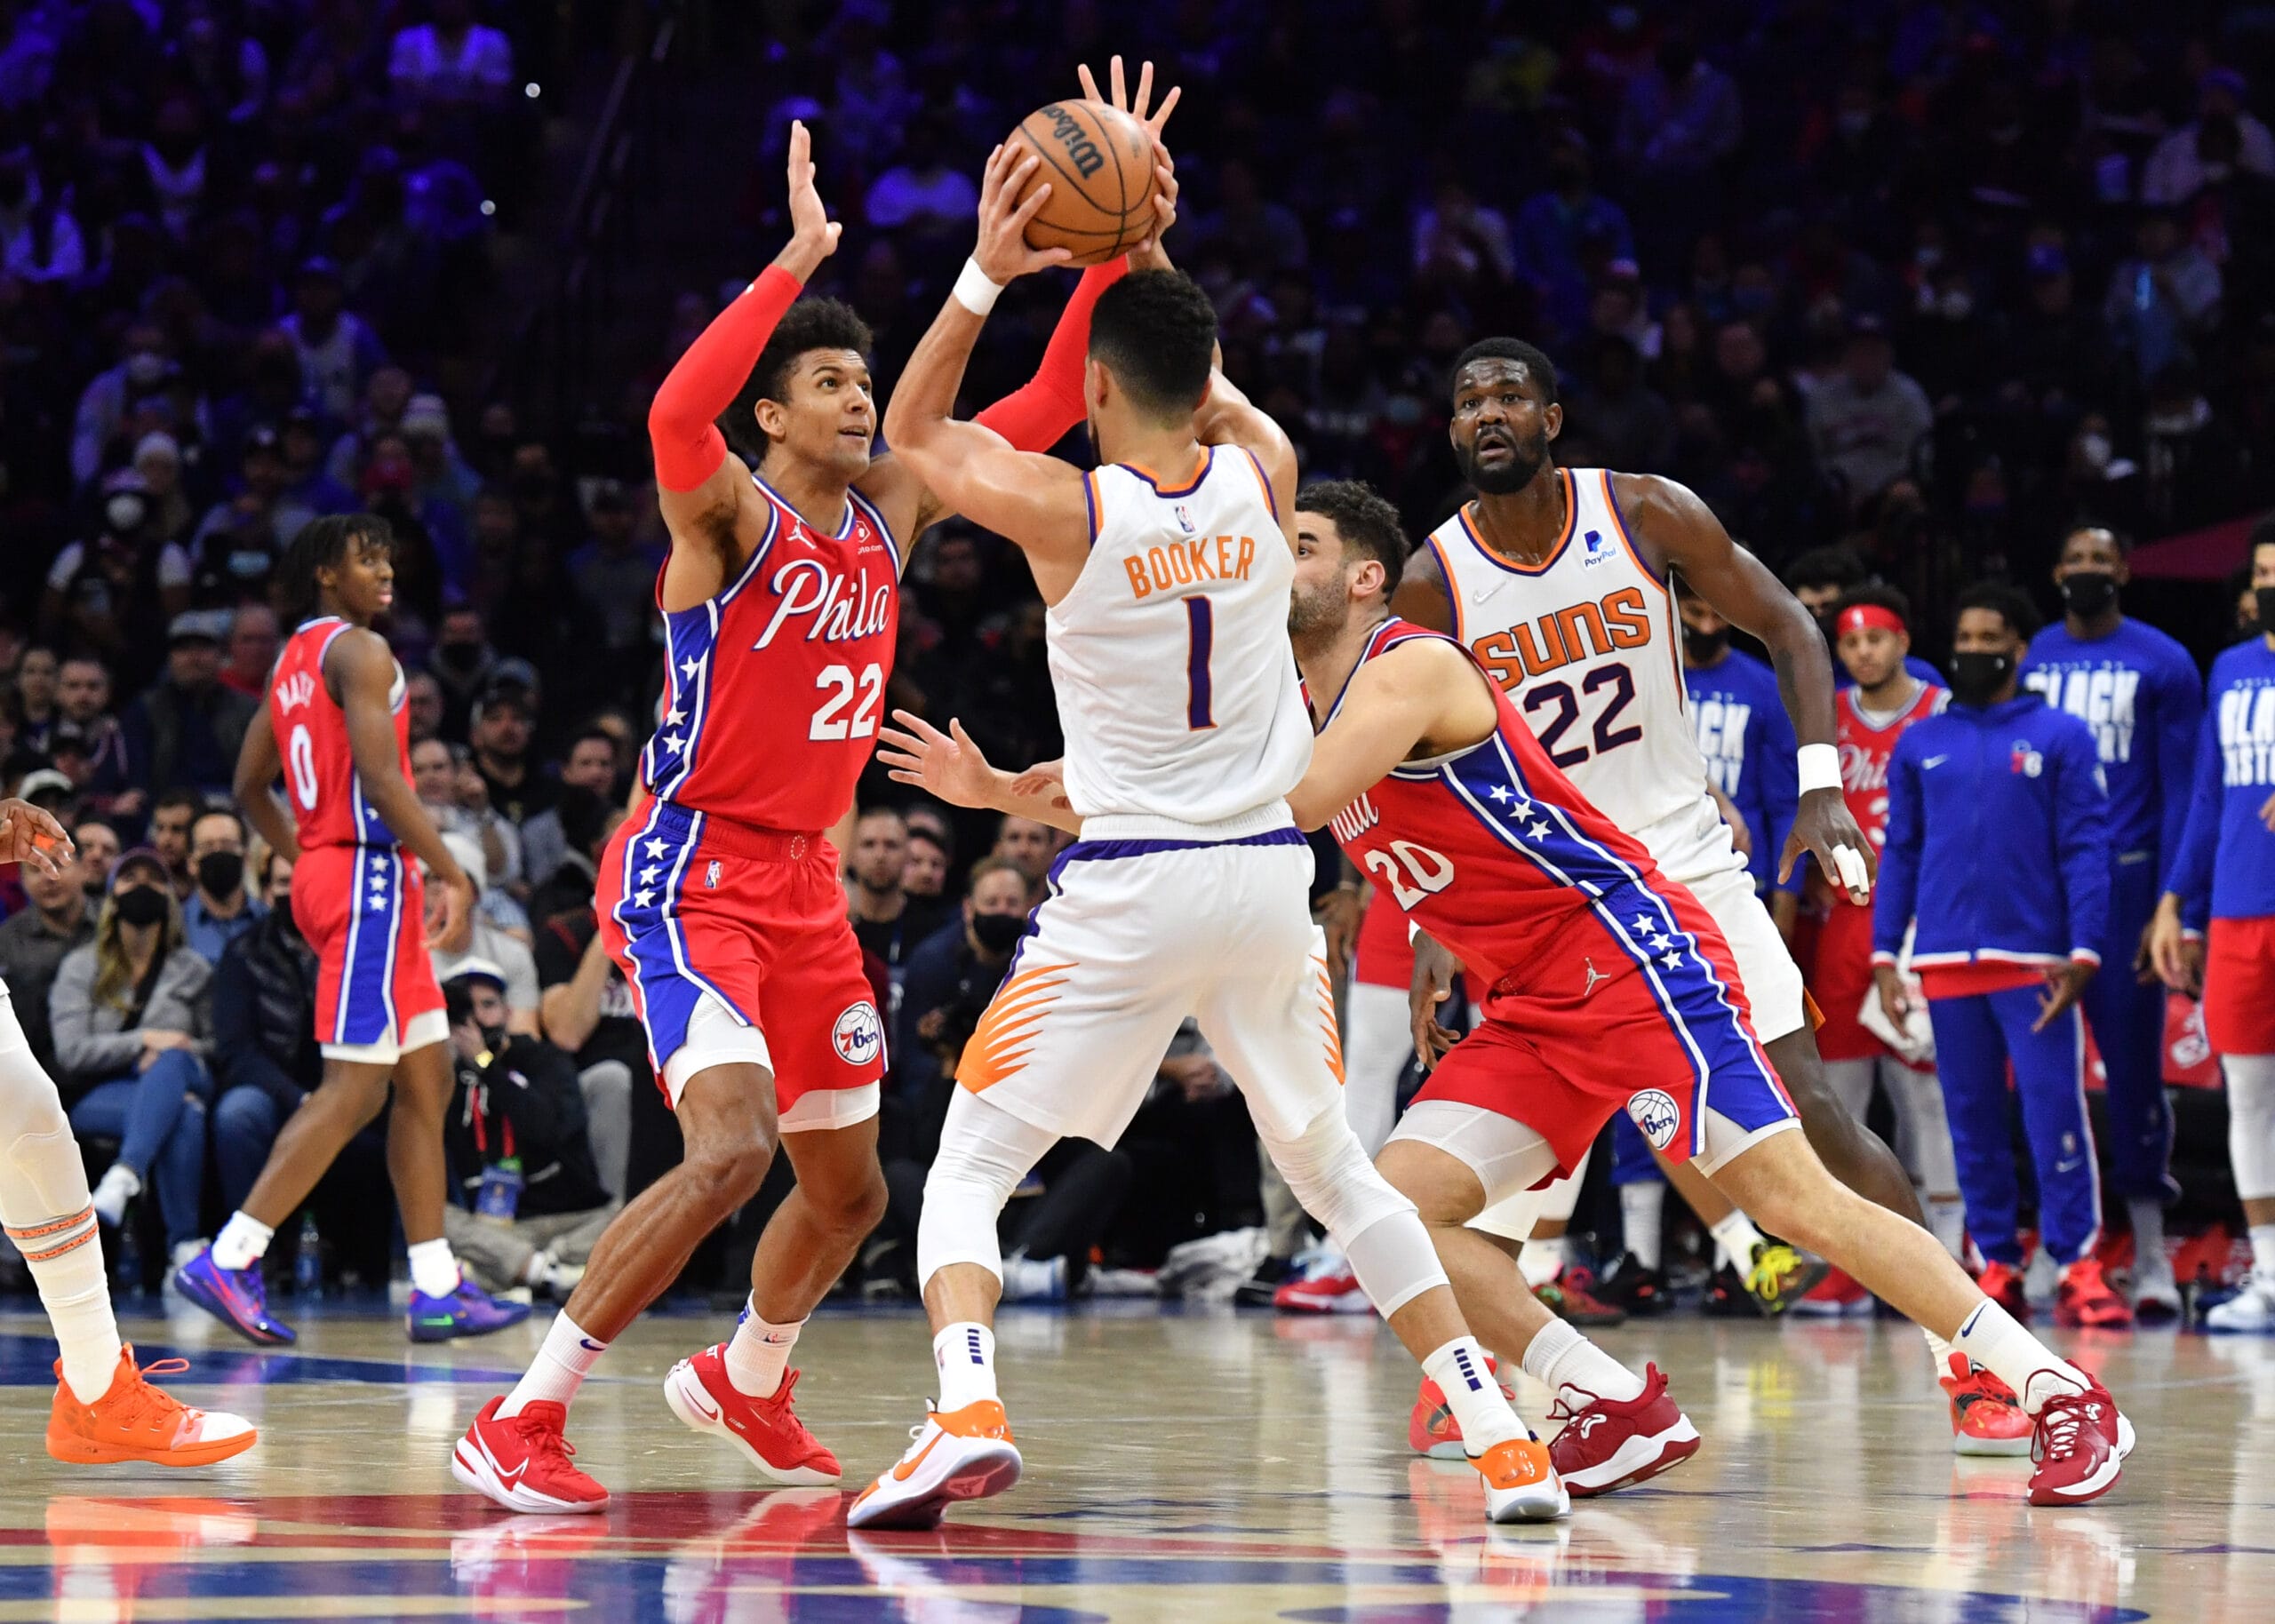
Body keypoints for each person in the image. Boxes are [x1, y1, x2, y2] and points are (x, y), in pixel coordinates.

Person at [889, 480, 2135, 1508]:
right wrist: (1007, 791)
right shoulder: (1282, 707)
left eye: (1302, 546)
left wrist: (1120, 784)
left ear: (1365, 577)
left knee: (1786, 1195)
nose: (1276, 560)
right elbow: (1198, 790)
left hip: (1624, 952)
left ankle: (2051, 1389)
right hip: (1527, 1002)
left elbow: (1280, 807)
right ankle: (1606, 1399)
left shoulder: (1409, 668)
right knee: (1391, 1211)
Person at [452, 92, 1151, 1515]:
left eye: (862, 380)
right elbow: (667, 409)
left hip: (800, 886)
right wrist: (797, 257)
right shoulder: (725, 518)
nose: (857, 398)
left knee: (853, 1196)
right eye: (830, 383)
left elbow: (1044, 409)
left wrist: (1110, 248)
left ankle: (746, 1379)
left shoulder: (893, 508)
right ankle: (522, 1416)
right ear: (771, 415)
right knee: (730, 1152)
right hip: (688, 868)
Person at [849, 132, 1561, 1528]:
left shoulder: (1069, 512)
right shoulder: (1269, 476)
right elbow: (1209, 375)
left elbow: (918, 439)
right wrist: (1144, 230)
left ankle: (967, 1408)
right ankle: (1501, 1437)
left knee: (971, 1167)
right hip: (1264, 887)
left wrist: (992, 269)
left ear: (1095, 387)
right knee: (1340, 1173)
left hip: (1128, 885)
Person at [1389, 339, 1956, 1358]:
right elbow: (1410, 755)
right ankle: (1479, 1378)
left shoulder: (1643, 511)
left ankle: (1968, 1349)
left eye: (1510, 396)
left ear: (1550, 420)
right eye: (1467, 399)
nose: (1487, 413)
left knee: (1811, 1112)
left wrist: (1820, 786)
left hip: (1684, 866)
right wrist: (1434, 915)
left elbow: (1787, 624)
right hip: (1544, 896)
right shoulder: (1433, 581)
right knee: (1506, 1165)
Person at [173, 514, 525, 1347]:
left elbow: (248, 786)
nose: (386, 571)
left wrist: (311, 854)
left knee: (427, 1073)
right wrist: (453, 870)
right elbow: (382, 778)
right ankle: (234, 1253)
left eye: (389, 557)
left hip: (349, 874)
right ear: (326, 573)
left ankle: (436, 1284)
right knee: (355, 1086)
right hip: (369, 876)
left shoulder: (294, 660)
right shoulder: (362, 651)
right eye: (368, 559)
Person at [1876, 586, 2126, 1330]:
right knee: (1972, 1120)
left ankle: (2078, 1262)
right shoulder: (1920, 742)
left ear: (2018, 648)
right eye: (1963, 634)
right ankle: (1998, 1263)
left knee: (2055, 1115)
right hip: (1948, 961)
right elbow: (1901, 852)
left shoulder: (2061, 735)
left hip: (2038, 965)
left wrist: (2084, 948)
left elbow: (2086, 846)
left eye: (1990, 637)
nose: (1973, 649)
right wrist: (1886, 954)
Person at [0, 799, 257, 1467]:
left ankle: (96, 1391)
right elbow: (78, 1046)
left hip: (145, 1091)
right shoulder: (87, 963)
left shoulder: (184, 966)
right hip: (104, 1088)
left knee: (32, 1126)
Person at [2018, 527, 2204, 1318]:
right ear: (2057, 572)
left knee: (2133, 1075)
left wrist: (2171, 903)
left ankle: (2153, 1252)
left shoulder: (2163, 660)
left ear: (2123, 571)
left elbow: (2186, 790)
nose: (2089, 573)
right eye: (2077, 562)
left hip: (2128, 886)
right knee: (2038, 1073)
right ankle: (2052, 1248)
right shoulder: (2029, 659)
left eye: (2103, 561)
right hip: (2046, 888)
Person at [1807, 589, 1966, 1277]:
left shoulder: (1943, 710)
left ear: (1903, 640)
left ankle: (1954, 1251)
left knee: (1926, 1096)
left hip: (1917, 921)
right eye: (1850, 642)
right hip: (1843, 921)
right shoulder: (1828, 717)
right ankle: (1852, 1263)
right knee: (1841, 1100)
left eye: (1876, 638)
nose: (1863, 651)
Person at [2149, 534, 2275, 1329]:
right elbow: (2207, 797)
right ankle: (2269, 1278)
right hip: (2236, 909)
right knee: (2251, 1099)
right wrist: (2174, 902)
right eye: (2263, 575)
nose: (2270, 587)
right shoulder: (2230, 670)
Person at [50, 848, 215, 1275]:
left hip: (183, 1075)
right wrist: (143, 1041)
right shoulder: (80, 967)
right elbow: (71, 1051)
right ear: (110, 895)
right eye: (129, 878)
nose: (142, 887)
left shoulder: (194, 970)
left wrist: (172, 1050)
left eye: (154, 879)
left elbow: (216, 1044)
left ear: (170, 896)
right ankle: (183, 1252)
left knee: (173, 1063)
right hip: (103, 1091)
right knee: (186, 1115)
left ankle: (124, 1175)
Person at [437, 966, 618, 1299]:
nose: (477, 1020)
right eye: (466, 1012)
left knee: (629, 1216)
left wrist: (486, 1066)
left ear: (508, 1011)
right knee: (430, 1215)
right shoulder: (446, 1081)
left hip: (576, 1220)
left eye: (488, 1005)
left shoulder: (544, 1059)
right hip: (504, 1229)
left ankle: (528, 1271)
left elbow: (543, 1129)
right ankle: (550, 1272)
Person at [209, 848, 322, 1212]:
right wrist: (296, 1097)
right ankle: (248, 1253)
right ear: (267, 893)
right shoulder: (244, 952)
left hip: (341, 1085)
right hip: (270, 1086)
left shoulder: (347, 946)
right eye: (284, 883)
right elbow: (236, 1049)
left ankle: (400, 1258)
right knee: (237, 1115)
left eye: (303, 882)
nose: (295, 893)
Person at [0, 830, 96, 1075]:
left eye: (58, 865)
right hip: (34, 1066)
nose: (48, 878)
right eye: (35, 869)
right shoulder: (7, 940)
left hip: (100, 1056)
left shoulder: (112, 924)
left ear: (84, 869)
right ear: (22, 881)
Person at [181, 806, 265, 964]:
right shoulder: (176, 926)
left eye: (227, 845)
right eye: (207, 847)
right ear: (191, 863)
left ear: (246, 858)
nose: (218, 852)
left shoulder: (270, 923)